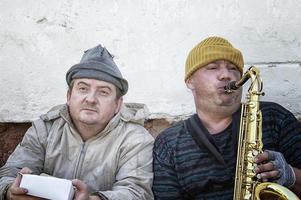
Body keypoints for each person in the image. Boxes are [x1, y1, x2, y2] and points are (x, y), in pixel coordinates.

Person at [152, 36, 301, 199]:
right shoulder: (169, 143)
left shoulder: (274, 117)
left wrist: (291, 175)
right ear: (190, 81)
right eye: (212, 67)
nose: (226, 75)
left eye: (233, 68)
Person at [0, 44, 154, 200]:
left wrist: (93, 199)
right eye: (83, 89)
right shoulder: (45, 129)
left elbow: (137, 192)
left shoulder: (135, 139)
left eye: (103, 92)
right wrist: (9, 191)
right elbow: (9, 174)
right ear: (68, 96)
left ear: (118, 104)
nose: (91, 99)